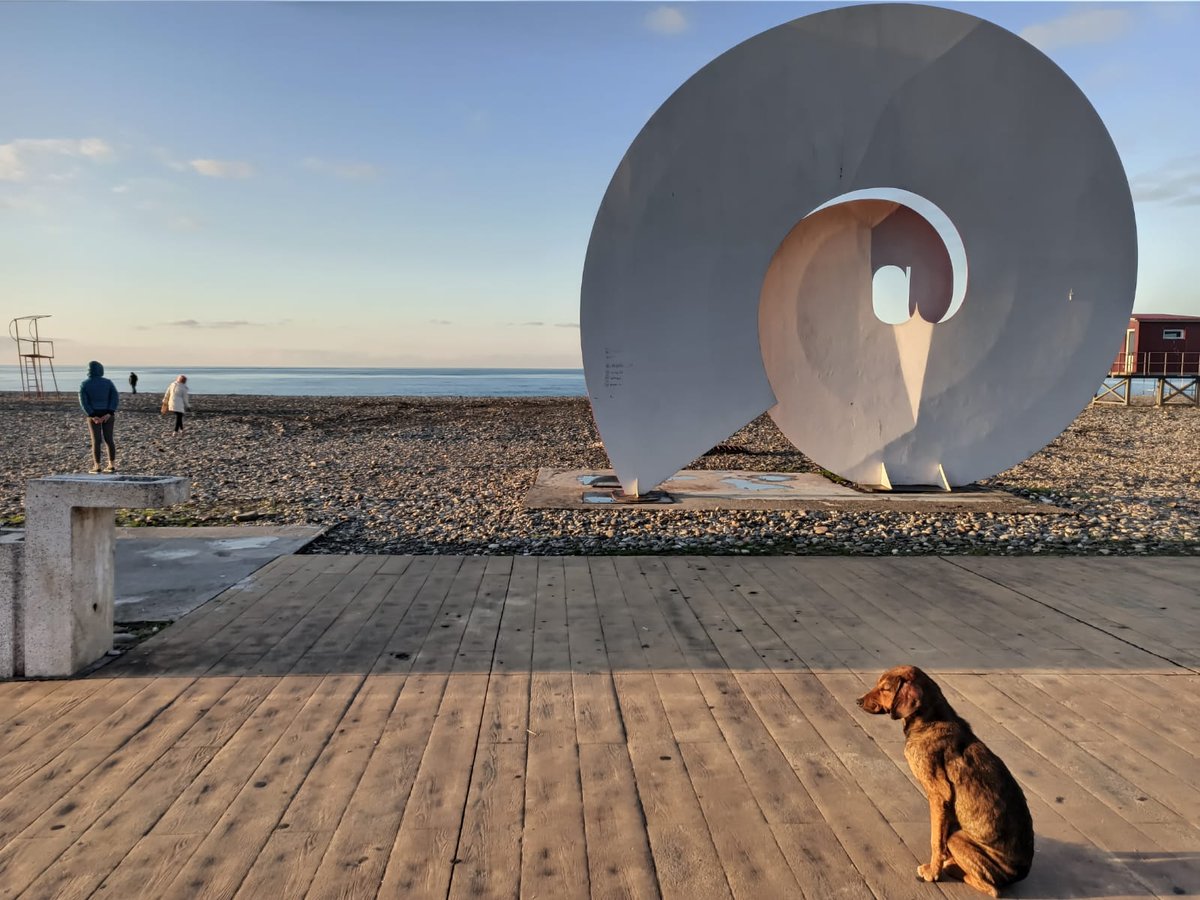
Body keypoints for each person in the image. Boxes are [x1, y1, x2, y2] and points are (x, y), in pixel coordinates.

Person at [79, 360, 119, 473]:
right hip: (108, 414)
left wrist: (92, 415)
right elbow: (115, 398)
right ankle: (112, 465)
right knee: (109, 439)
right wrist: (109, 412)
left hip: (93, 415)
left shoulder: (85, 384)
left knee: (96, 441)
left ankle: (97, 466)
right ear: (101, 370)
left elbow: (83, 401)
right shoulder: (108, 382)